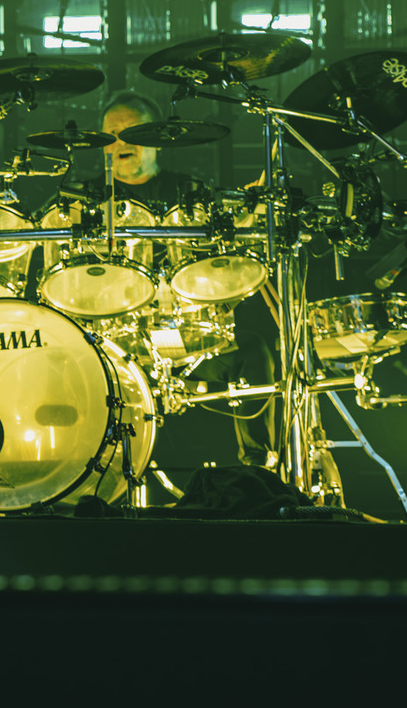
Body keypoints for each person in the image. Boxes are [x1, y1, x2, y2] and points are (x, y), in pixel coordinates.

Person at [74, 91, 280, 471]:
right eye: (111, 133)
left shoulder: (191, 192)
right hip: (108, 343)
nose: (120, 141)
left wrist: (251, 213)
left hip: (184, 336)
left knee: (253, 352)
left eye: (131, 131)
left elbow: (226, 260)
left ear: (157, 139)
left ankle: (257, 469)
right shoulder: (80, 200)